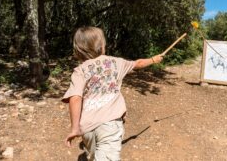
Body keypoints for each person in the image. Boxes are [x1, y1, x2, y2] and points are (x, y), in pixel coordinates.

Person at [62, 26, 163, 160]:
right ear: (102, 46)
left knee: (93, 157)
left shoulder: (80, 70)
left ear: (78, 50)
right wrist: (153, 60)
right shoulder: (116, 63)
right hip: (110, 124)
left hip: (87, 127)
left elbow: (75, 98)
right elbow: (137, 64)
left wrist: (75, 128)